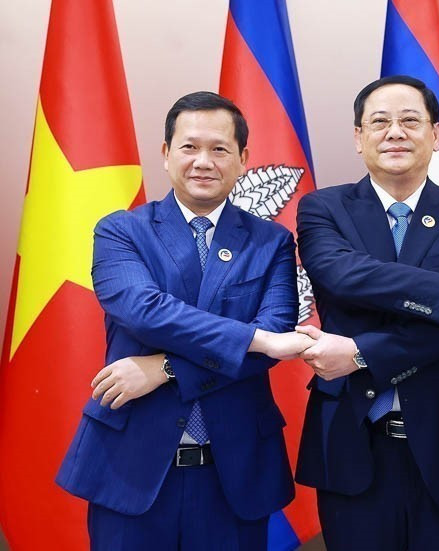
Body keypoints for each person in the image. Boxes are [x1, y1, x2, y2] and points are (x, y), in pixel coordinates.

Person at [56, 91, 313, 549]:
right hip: (130, 468)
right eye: (189, 147)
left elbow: (271, 341)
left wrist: (167, 368)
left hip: (232, 472)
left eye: (219, 149)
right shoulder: (120, 231)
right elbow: (145, 311)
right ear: (166, 153)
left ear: (243, 159)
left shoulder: (272, 241)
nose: (203, 161)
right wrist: (253, 338)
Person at [293, 75, 439, 551]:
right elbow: (343, 277)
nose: (395, 131)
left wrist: (360, 353)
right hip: (353, 439)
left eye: (410, 120)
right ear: (359, 138)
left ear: (435, 136)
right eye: (380, 121)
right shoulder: (323, 208)